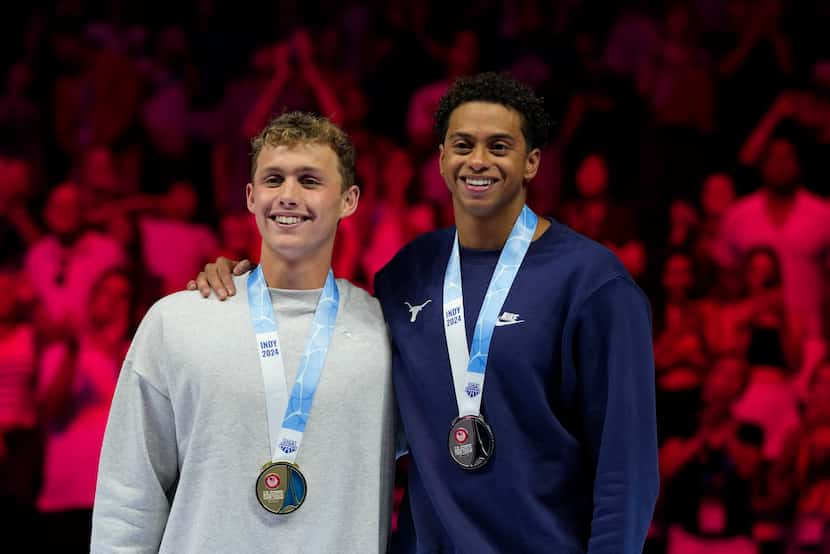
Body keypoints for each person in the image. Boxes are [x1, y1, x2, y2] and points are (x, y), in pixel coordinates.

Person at [194, 73, 658, 552]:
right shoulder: (405, 275)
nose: (478, 161)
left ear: (531, 163)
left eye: (499, 146)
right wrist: (247, 281)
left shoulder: (594, 284)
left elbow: (627, 470)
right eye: (463, 144)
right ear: (441, 159)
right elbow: (326, 356)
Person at [92, 112, 396, 552]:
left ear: (349, 200)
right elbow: (128, 496)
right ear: (251, 197)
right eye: (274, 180)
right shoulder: (177, 321)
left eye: (309, 181)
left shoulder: (386, 334)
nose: (288, 196)